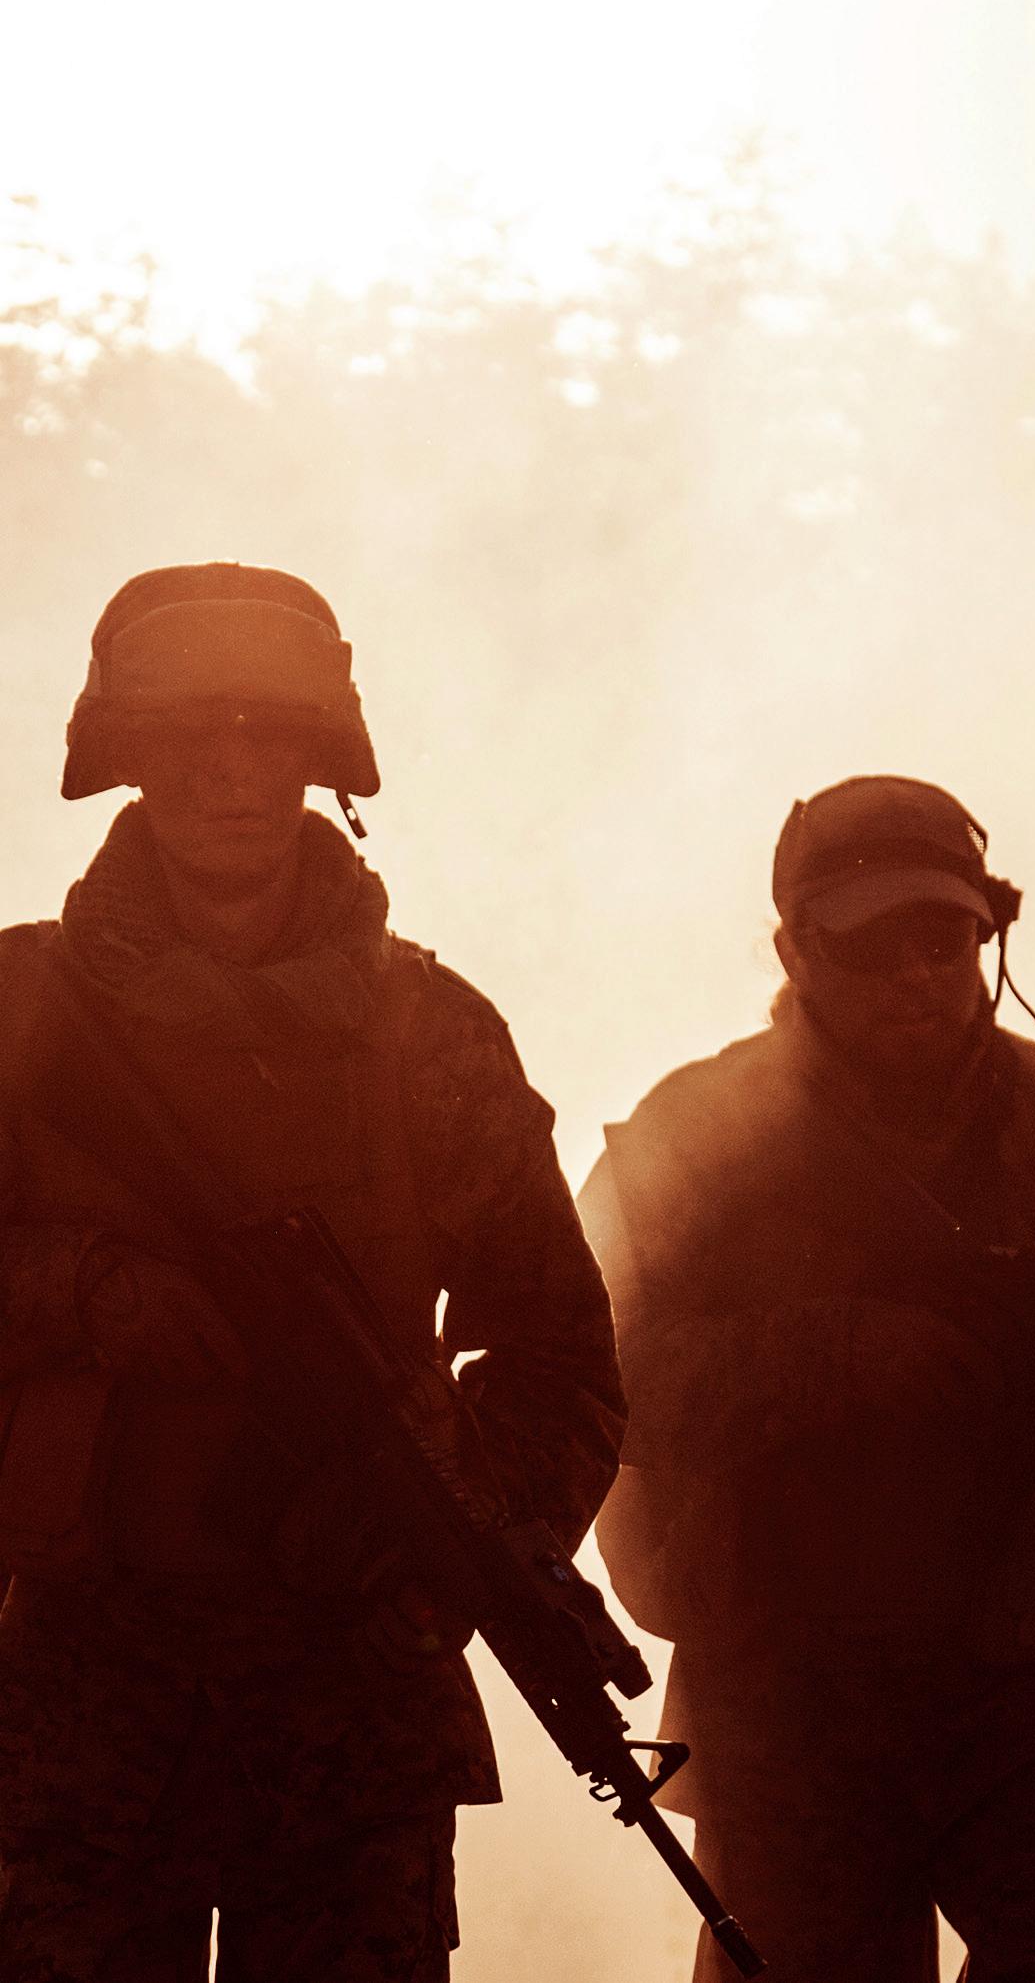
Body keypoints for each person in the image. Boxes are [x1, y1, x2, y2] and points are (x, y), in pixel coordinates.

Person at [0, 562, 624, 1981]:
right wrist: (86, 1291)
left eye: (267, 731)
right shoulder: (22, 1015)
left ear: (320, 755)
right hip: (83, 1704)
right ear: (125, 755)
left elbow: (562, 1363)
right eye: (186, 733)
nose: (229, 769)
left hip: (353, 1710)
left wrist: (454, 1524)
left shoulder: (431, 1035)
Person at [580, 774, 1035, 1983]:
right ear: (795, 948)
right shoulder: (696, 1141)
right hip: (790, 1699)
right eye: (873, 943)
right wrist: (840, 1355)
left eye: (945, 939)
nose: (917, 974)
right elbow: (588, 1368)